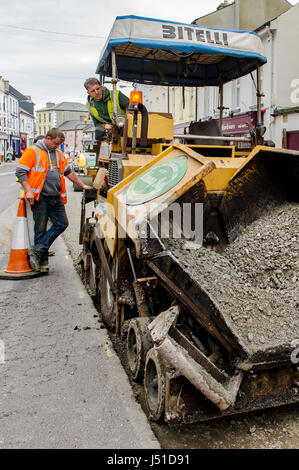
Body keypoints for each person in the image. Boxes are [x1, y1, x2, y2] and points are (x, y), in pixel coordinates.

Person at [16, 128, 92, 274]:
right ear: (48, 138)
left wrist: (82, 185)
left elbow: (68, 172)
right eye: (55, 143)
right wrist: (29, 191)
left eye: (59, 145)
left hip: (55, 196)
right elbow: (20, 172)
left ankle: (37, 251)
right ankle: (42, 264)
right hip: (40, 197)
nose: (57, 146)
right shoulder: (33, 151)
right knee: (40, 229)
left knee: (62, 223)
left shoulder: (58, 154)